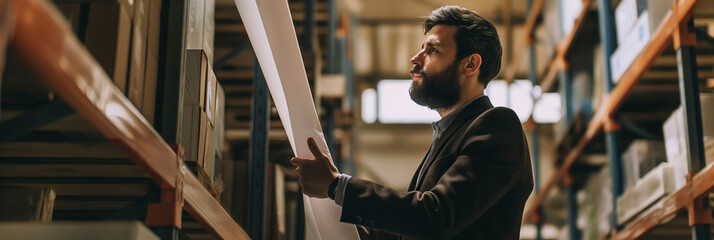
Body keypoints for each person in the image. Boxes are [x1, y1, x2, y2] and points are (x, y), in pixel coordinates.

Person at [291, 5, 534, 240]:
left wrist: (338, 186)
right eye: (422, 48)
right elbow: (407, 231)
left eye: (433, 50)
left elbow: (435, 216)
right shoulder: (448, 135)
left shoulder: (497, 125)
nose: (415, 58)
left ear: (470, 64)